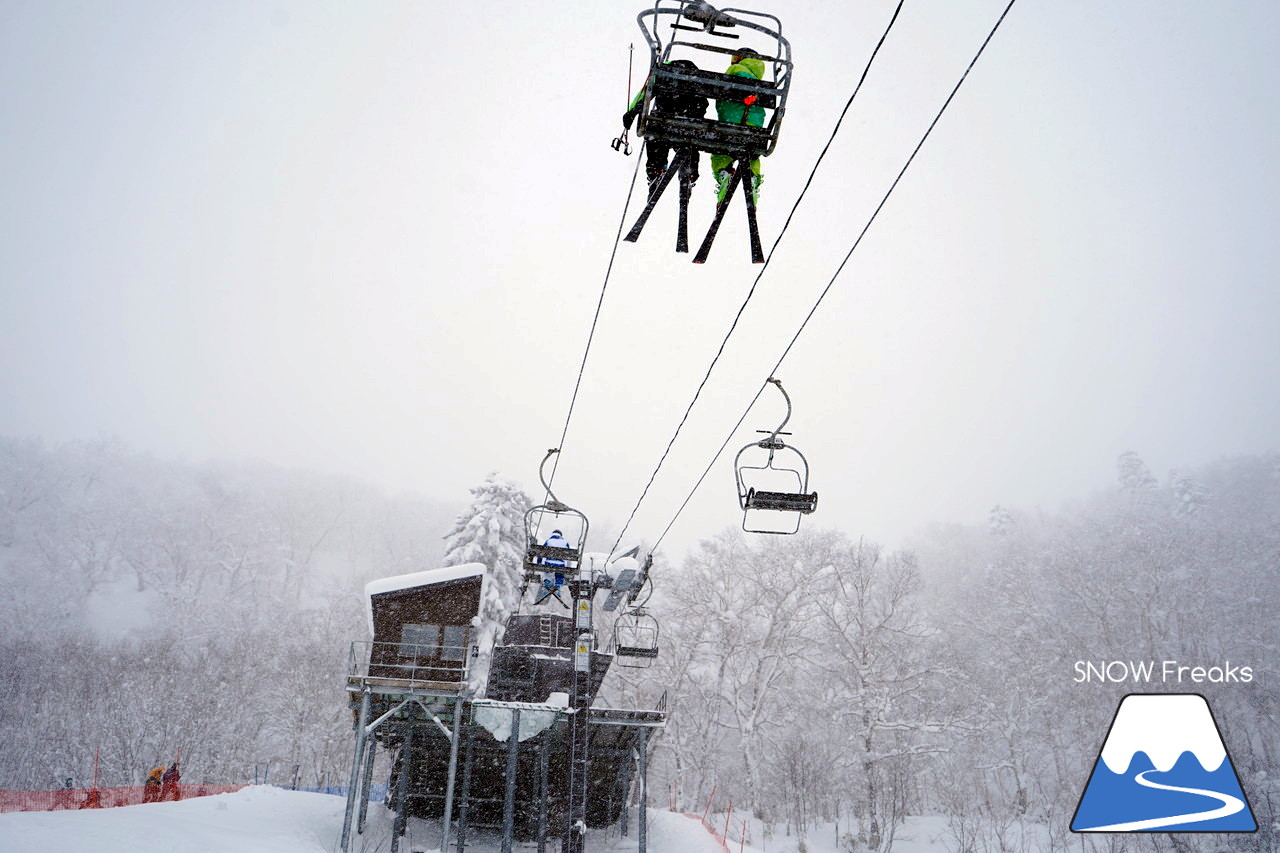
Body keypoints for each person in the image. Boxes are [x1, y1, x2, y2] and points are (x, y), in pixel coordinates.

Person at [622, 59, 708, 198]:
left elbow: (647, 93)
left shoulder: (664, 73)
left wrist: (632, 113)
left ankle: (656, 171)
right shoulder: (699, 79)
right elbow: (703, 103)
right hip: (689, 126)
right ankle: (690, 174)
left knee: (656, 138)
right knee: (690, 142)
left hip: (664, 124)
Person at [711, 47, 767, 205]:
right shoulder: (759, 80)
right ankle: (753, 178)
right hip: (754, 129)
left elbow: (722, 91)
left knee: (720, 150)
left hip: (731, 124)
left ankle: (724, 172)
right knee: (752, 155)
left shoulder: (735, 69)